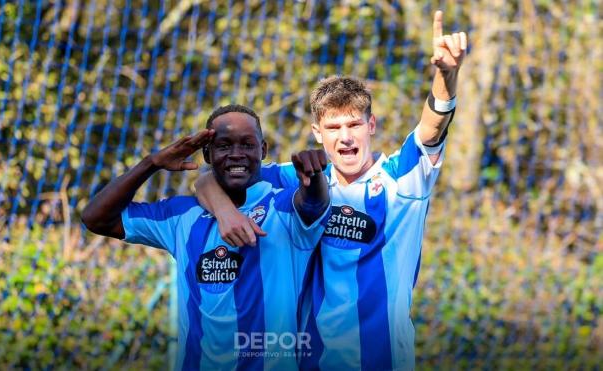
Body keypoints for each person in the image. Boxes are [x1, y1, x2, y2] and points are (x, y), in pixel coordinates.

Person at [195, 11, 467, 370]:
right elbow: (209, 176)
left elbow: (431, 128)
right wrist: (226, 211)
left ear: (371, 125)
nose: (346, 136)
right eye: (334, 126)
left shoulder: (403, 178)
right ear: (317, 132)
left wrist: (446, 76)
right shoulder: (303, 177)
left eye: (355, 124)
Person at [81, 104, 331, 370]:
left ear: (263, 150)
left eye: (247, 145)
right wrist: (151, 163)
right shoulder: (180, 216)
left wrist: (313, 177)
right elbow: (96, 218)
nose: (236, 155)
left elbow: (313, 202)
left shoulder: (283, 207)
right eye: (224, 146)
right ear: (207, 153)